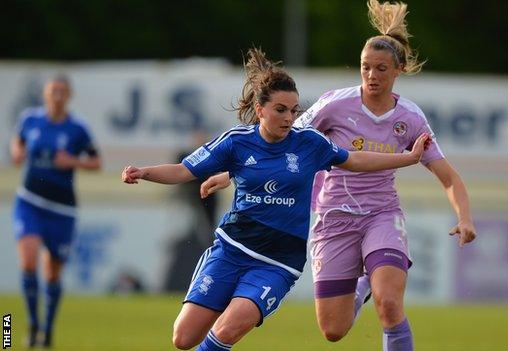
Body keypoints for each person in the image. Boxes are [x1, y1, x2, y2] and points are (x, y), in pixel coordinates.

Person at [200, 2, 476, 350]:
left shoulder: (411, 118)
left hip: (381, 214)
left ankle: (374, 286)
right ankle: (363, 285)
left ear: (398, 70)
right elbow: (280, 139)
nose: (372, 76)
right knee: (333, 330)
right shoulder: (335, 105)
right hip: (333, 218)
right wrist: (230, 171)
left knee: (389, 304)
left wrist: (465, 217)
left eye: (381, 69)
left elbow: (448, 176)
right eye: (365, 68)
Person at [121, 48, 432, 351]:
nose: (289, 118)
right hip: (232, 248)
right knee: (183, 338)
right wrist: (144, 171)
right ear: (260, 110)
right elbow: (184, 170)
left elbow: (354, 159)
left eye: (293, 110)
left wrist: (408, 158)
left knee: (229, 328)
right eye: (280, 110)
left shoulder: (309, 143)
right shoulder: (236, 142)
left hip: (278, 261)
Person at [10, 75, 102, 348]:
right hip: (30, 202)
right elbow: (18, 141)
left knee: (52, 273)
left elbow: (96, 161)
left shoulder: (77, 129)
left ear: (69, 96)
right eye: (53, 91)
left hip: (62, 209)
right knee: (28, 261)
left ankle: (47, 331)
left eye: (62, 92)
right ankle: (32, 324)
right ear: (46, 95)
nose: (57, 96)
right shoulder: (30, 120)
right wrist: (16, 152)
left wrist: (72, 161)